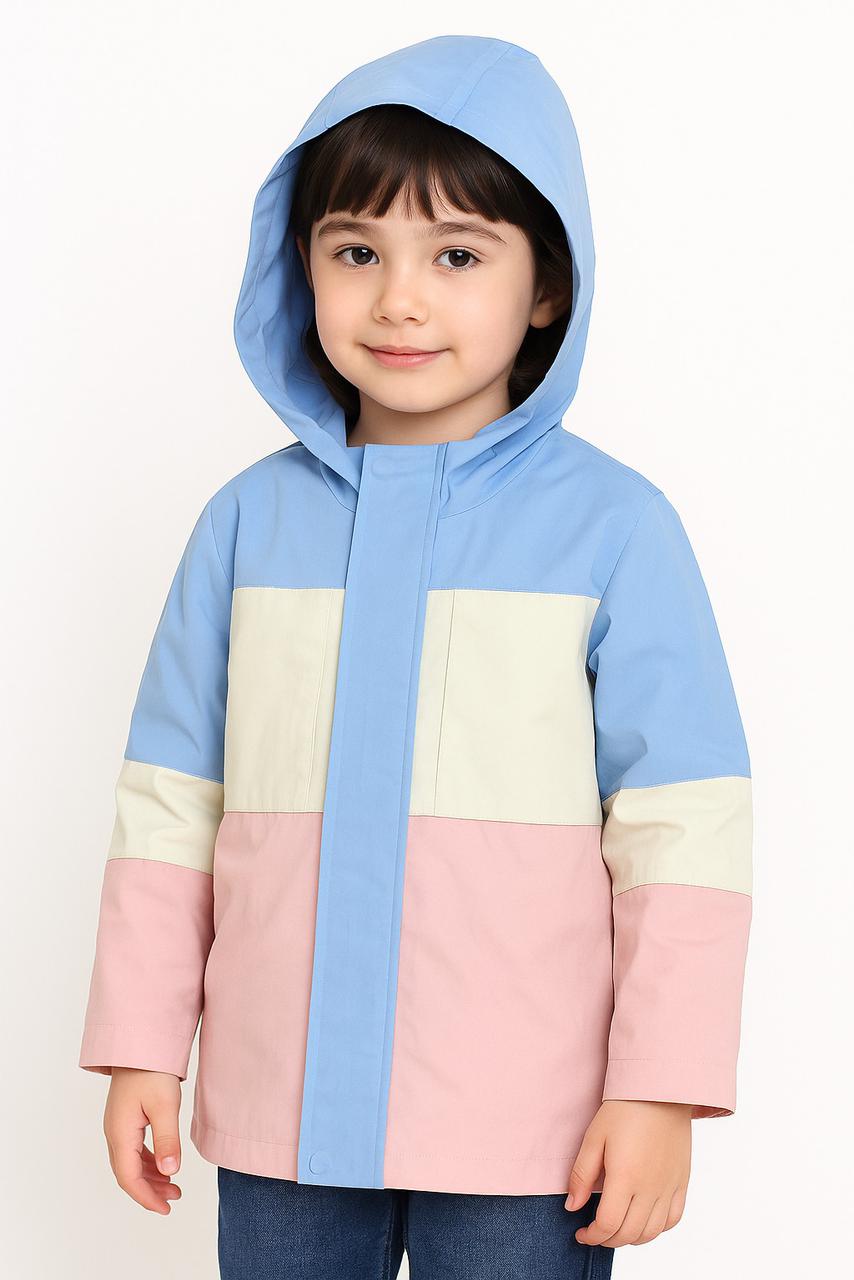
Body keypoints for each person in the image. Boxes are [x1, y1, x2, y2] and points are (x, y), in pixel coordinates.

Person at [78, 33, 753, 1280]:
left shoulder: (613, 529)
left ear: (544, 284)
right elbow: (171, 803)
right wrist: (139, 1047)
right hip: (281, 1100)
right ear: (299, 265)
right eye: (356, 252)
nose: (399, 299)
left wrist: (659, 1085)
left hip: (529, 1122)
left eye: (456, 255)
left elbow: (682, 824)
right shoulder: (245, 525)